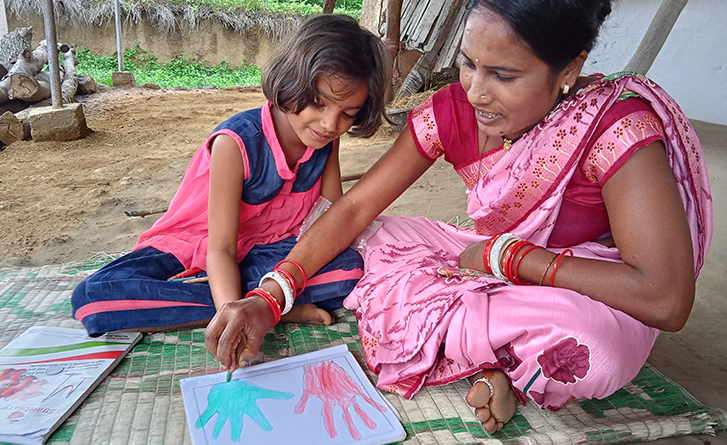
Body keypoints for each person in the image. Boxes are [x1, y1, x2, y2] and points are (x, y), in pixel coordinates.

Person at [204, 0, 713, 435]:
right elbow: (358, 206)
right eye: (469, 64)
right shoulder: (452, 111)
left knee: (593, 349)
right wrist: (269, 299)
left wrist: (510, 257)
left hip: (582, 289)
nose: (475, 91)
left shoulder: (614, 127)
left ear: (569, 70)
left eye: (503, 75)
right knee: (372, 236)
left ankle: (487, 357)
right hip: (486, 264)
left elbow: (665, 301)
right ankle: (497, 366)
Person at [71, 14, 387, 337]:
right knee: (93, 299)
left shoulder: (326, 143)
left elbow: (330, 222)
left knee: (349, 268)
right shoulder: (235, 144)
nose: (331, 124)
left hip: (266, 255)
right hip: (191, 249)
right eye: (320, 104)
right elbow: (220, 250)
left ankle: (260, 303)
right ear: (293, 80)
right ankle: (264, 308)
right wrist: (230, 314)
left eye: (347, 114)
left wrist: (277, 283)